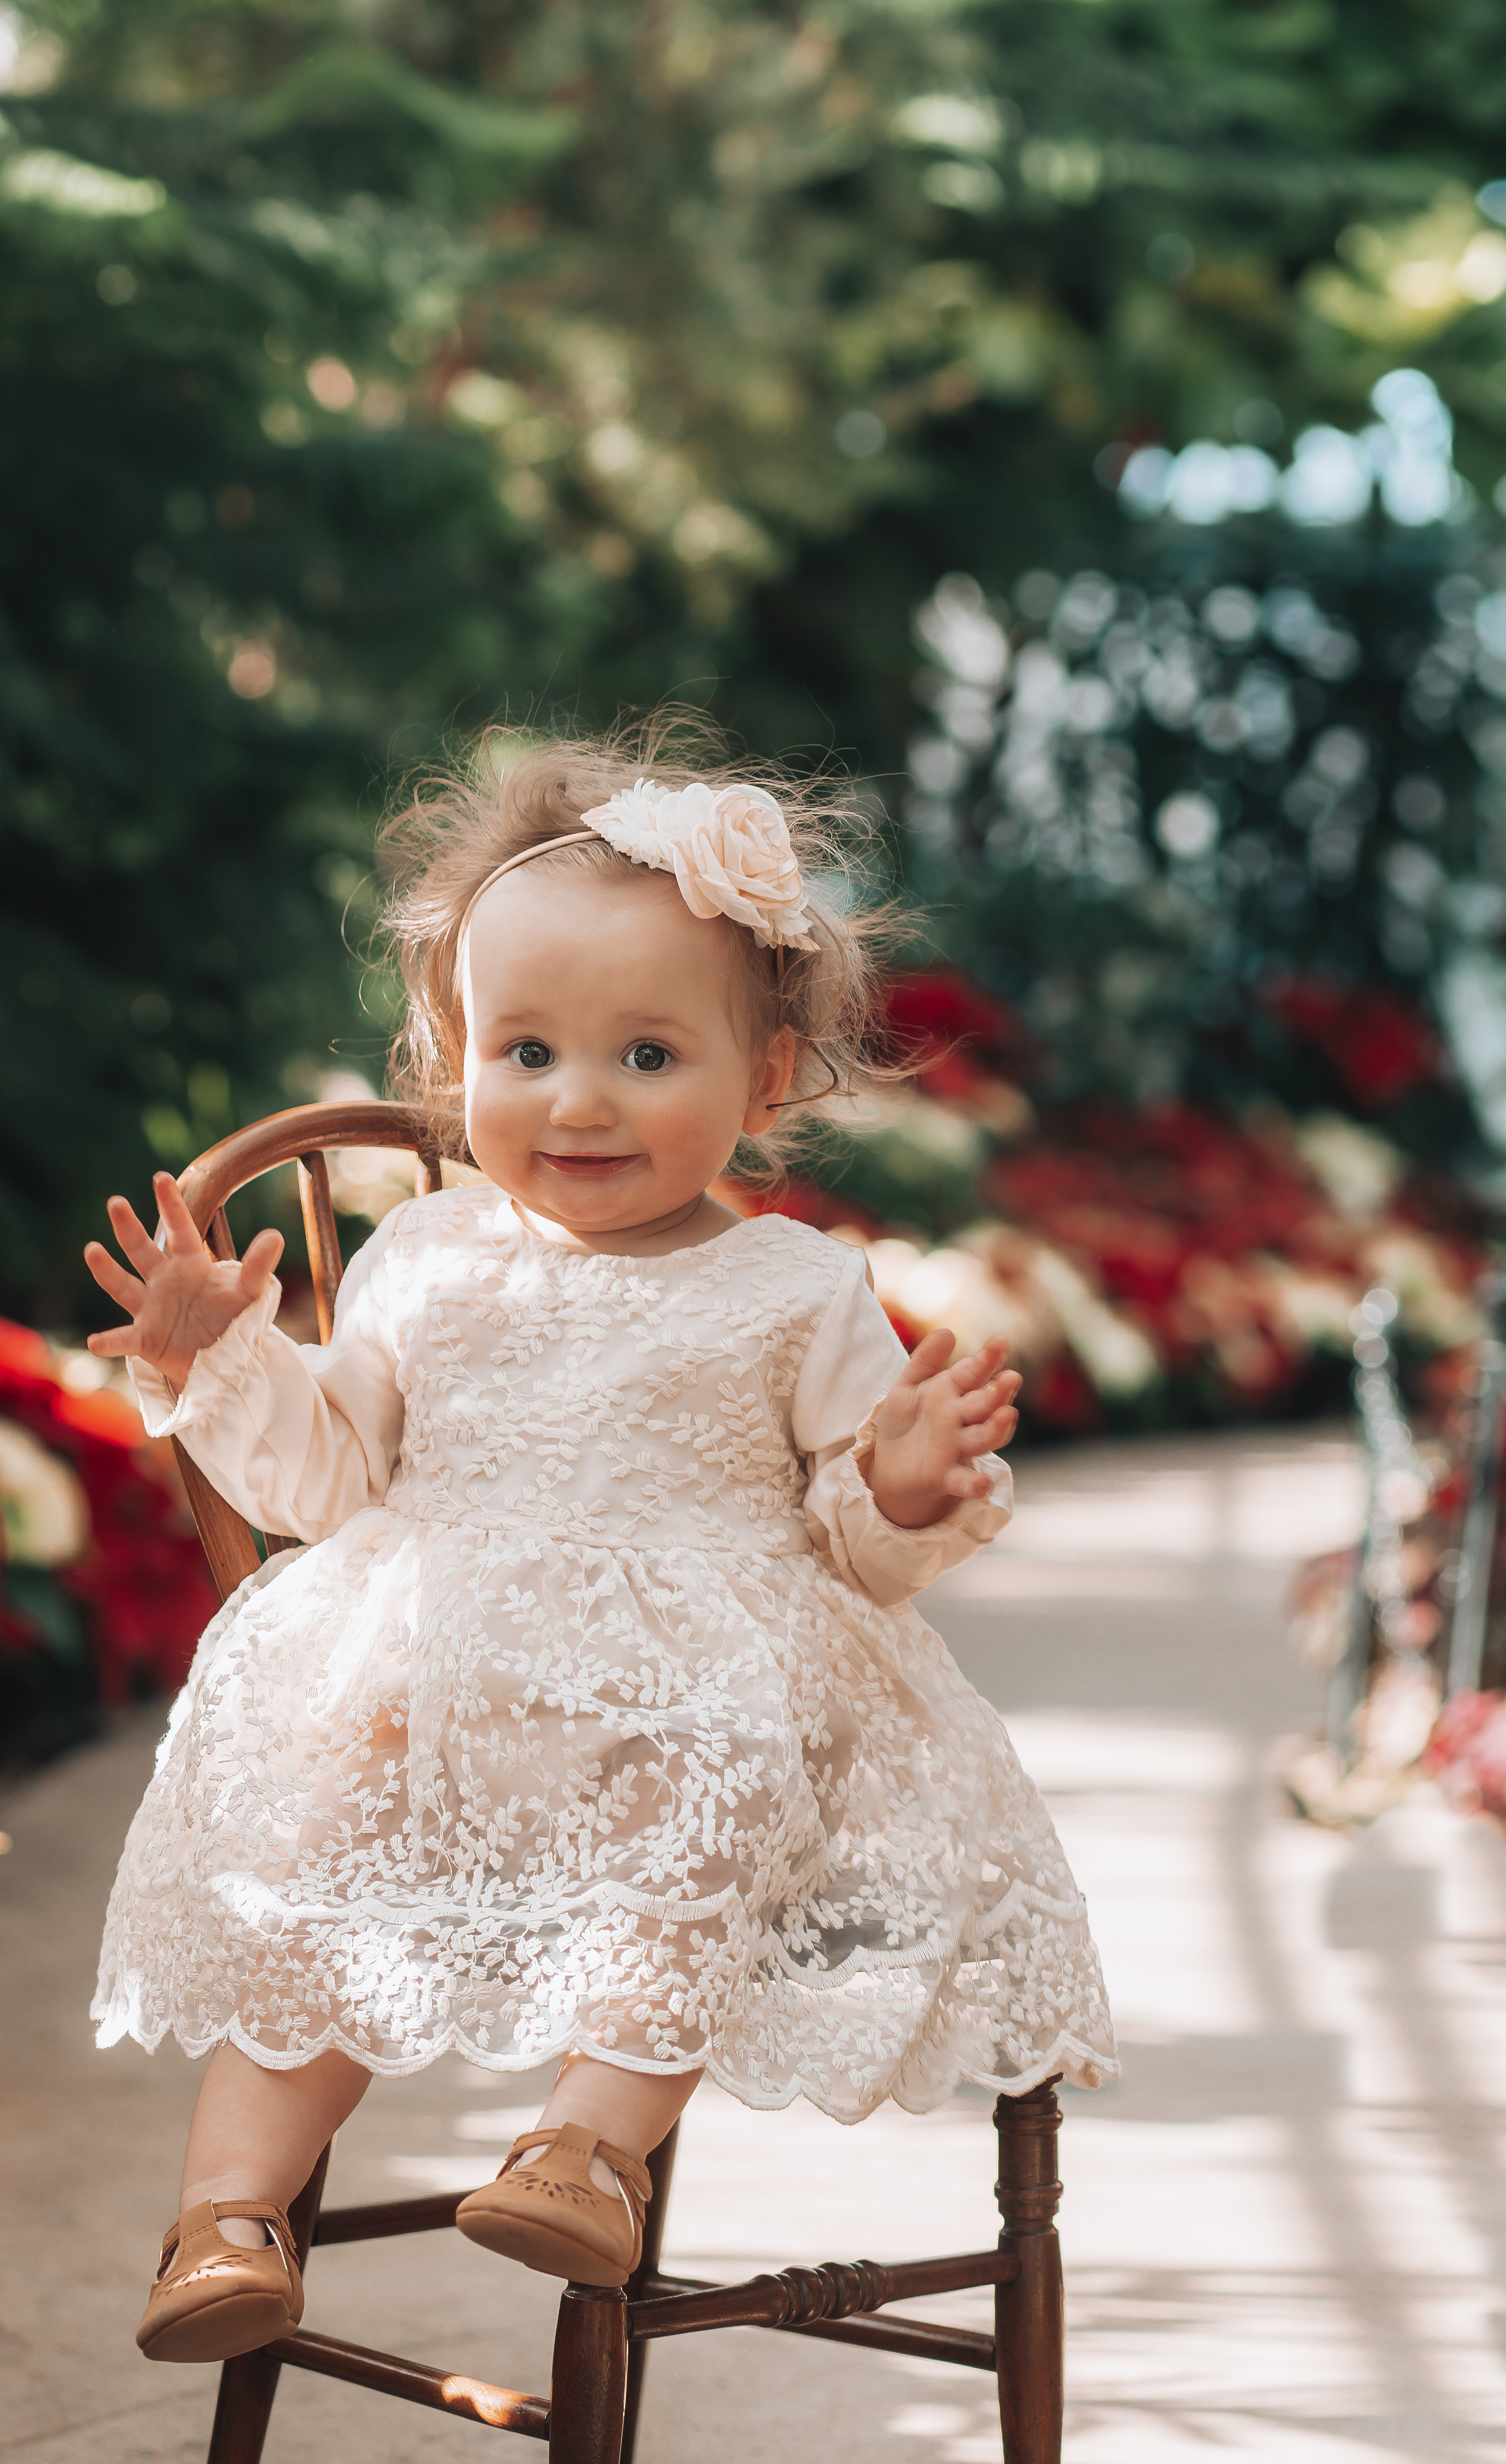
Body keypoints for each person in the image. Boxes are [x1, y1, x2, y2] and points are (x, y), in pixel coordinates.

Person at [85, 730, 1116, 2362]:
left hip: (692, 1721)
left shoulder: (794, 1290)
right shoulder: (426, 1257)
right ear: (458, 1055)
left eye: (647, 1055)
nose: (577, 1100)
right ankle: (229, 2217)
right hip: (442, 1708)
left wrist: (904, 1485)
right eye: (527, 1050)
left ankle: (587, 2146)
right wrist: (226, 1360)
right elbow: (329, 1483)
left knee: (706, 1805)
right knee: (319, 1856)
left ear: (764, 1079)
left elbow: (854, 1552)